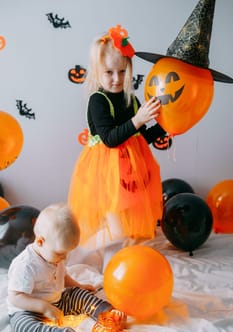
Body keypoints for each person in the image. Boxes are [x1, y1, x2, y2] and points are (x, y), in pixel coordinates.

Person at [68, 24, 170, 248]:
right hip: (106, 174)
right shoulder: (98, 100)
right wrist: (138, 119)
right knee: (117, 229)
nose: (117, 78)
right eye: (109, 72)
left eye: (122, 71)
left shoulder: (131, 100)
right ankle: (77, 254)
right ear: (97, 72)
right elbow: (110, 139)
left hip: (131, 173)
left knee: (129, 228)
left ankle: (113, 263)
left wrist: (166, 124)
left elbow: (142, 137)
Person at [7, 202, 126, 332]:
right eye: (60, 253)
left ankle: (106, 313)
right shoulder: (26, 265)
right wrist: (43, 307)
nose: (64, 258)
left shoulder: (55, 257)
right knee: (24, 326)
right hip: (28, 310)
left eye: (66, 253)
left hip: (56, 302)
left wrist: (79, 286)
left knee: (78, 295)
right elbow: (16, 297)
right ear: (40, 242)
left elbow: (63, 277)